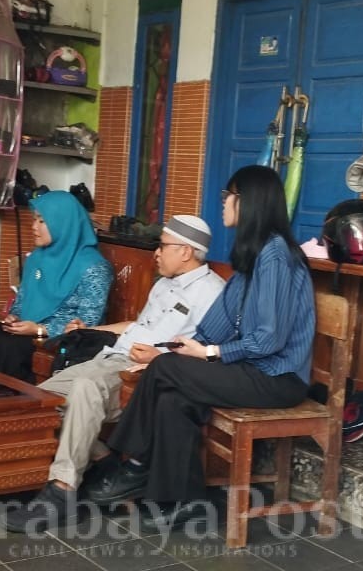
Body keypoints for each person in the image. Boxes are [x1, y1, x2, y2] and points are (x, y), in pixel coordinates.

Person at [84, 165, 315, 532]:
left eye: (228, 196)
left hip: (277, 377)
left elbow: (270, 340)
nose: (222, 203)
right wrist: (174, 348)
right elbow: (217, 325)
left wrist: (207, 354)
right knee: (173, 393)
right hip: (250, 369)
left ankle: (130, 462)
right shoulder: (252, 256)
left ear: (249, 201)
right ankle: (185, 500)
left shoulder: (276, 256)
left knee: (165, 371)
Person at [3, 215, 225, 532]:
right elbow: (137, 327)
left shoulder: (213, 293)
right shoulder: (164, 284)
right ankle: (106, 460)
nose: (156, 253)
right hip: (111, 356)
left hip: (142, 371)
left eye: (162, 246)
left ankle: (61, 492)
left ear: (186, 251)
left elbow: (206, 349)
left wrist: (158, 356)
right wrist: (90, 329)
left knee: (84, 390)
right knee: (38, 402)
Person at [0, 190, 114, 381]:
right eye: (34, 220)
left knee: (10, 348)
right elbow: (22, 299)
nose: (34, 227)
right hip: (26, 330)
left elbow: (88, 323)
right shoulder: (38, 257)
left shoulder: (94, 267)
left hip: (62, 339)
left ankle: (10, 405)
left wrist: (41, 329)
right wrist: (13, 317)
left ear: (63, 223)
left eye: (41, 221)